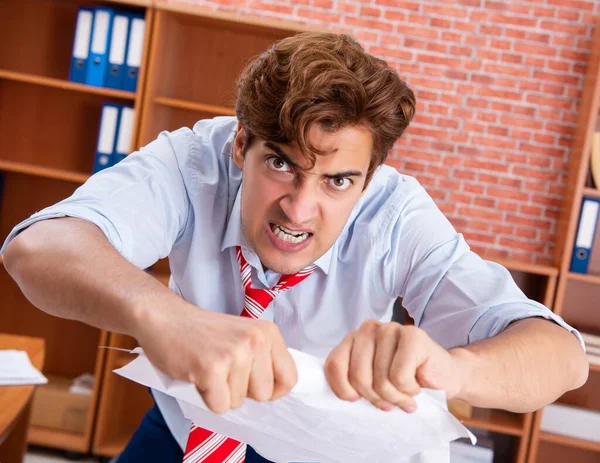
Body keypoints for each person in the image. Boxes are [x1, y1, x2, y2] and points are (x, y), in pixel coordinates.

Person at [1, 32, 588, 463]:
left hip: (329, 452)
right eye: (281, 164)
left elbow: (563, 355)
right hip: (192, 426)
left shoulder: (397, 216)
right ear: (240, 143)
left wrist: (454, 368)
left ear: (370, 177)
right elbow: (36, 246)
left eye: (337, 181)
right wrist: (160, 314)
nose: (300, 209)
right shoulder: (191, 163)